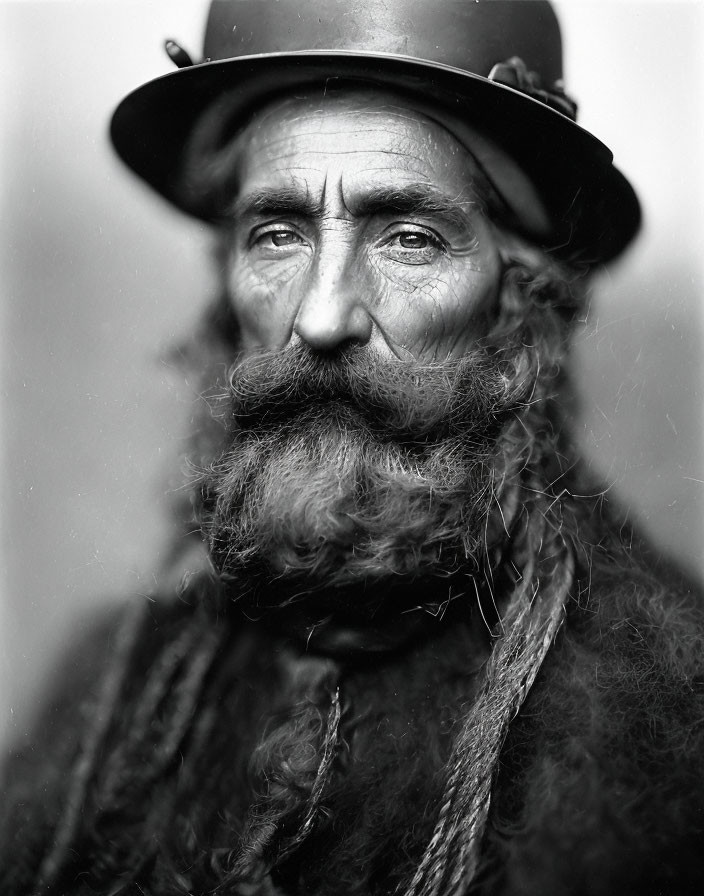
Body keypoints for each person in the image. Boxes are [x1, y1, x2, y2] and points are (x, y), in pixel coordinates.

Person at [2, 1, 703, 894]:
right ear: (226, 291)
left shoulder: (666, 727)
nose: (322, 314)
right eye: (278, 234)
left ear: (520, 302)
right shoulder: (117, 691)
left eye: (410, 237)